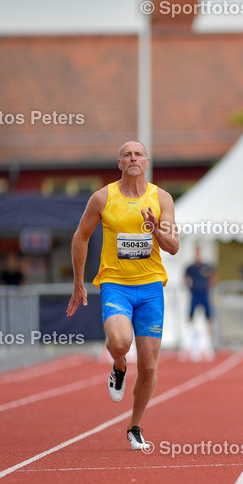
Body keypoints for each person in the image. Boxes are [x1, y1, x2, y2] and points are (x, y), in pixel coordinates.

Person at [66, 141, 179, 449]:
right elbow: (81, 236)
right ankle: (118, 365)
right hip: (115, 284)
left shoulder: (162, 198)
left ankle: (134, 426)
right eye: (127, 155)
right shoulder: (103, 197)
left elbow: (173, 246)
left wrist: (155, 230)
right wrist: (79, 283)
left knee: (149, 367)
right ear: (119, 163)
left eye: (138, 154)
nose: (133, 159)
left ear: (147, 162)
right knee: (120, 343)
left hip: (151, 287)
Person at [184, 245, 217, 328]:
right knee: (191, 314)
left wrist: (210, 286)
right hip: (195, 293)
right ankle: (190, 331)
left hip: (204, 293)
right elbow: (185, 278)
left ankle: (210, 333)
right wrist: (189, 288)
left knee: (209, 315)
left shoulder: (206, 266)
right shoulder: (191, 267)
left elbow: (214, 276)